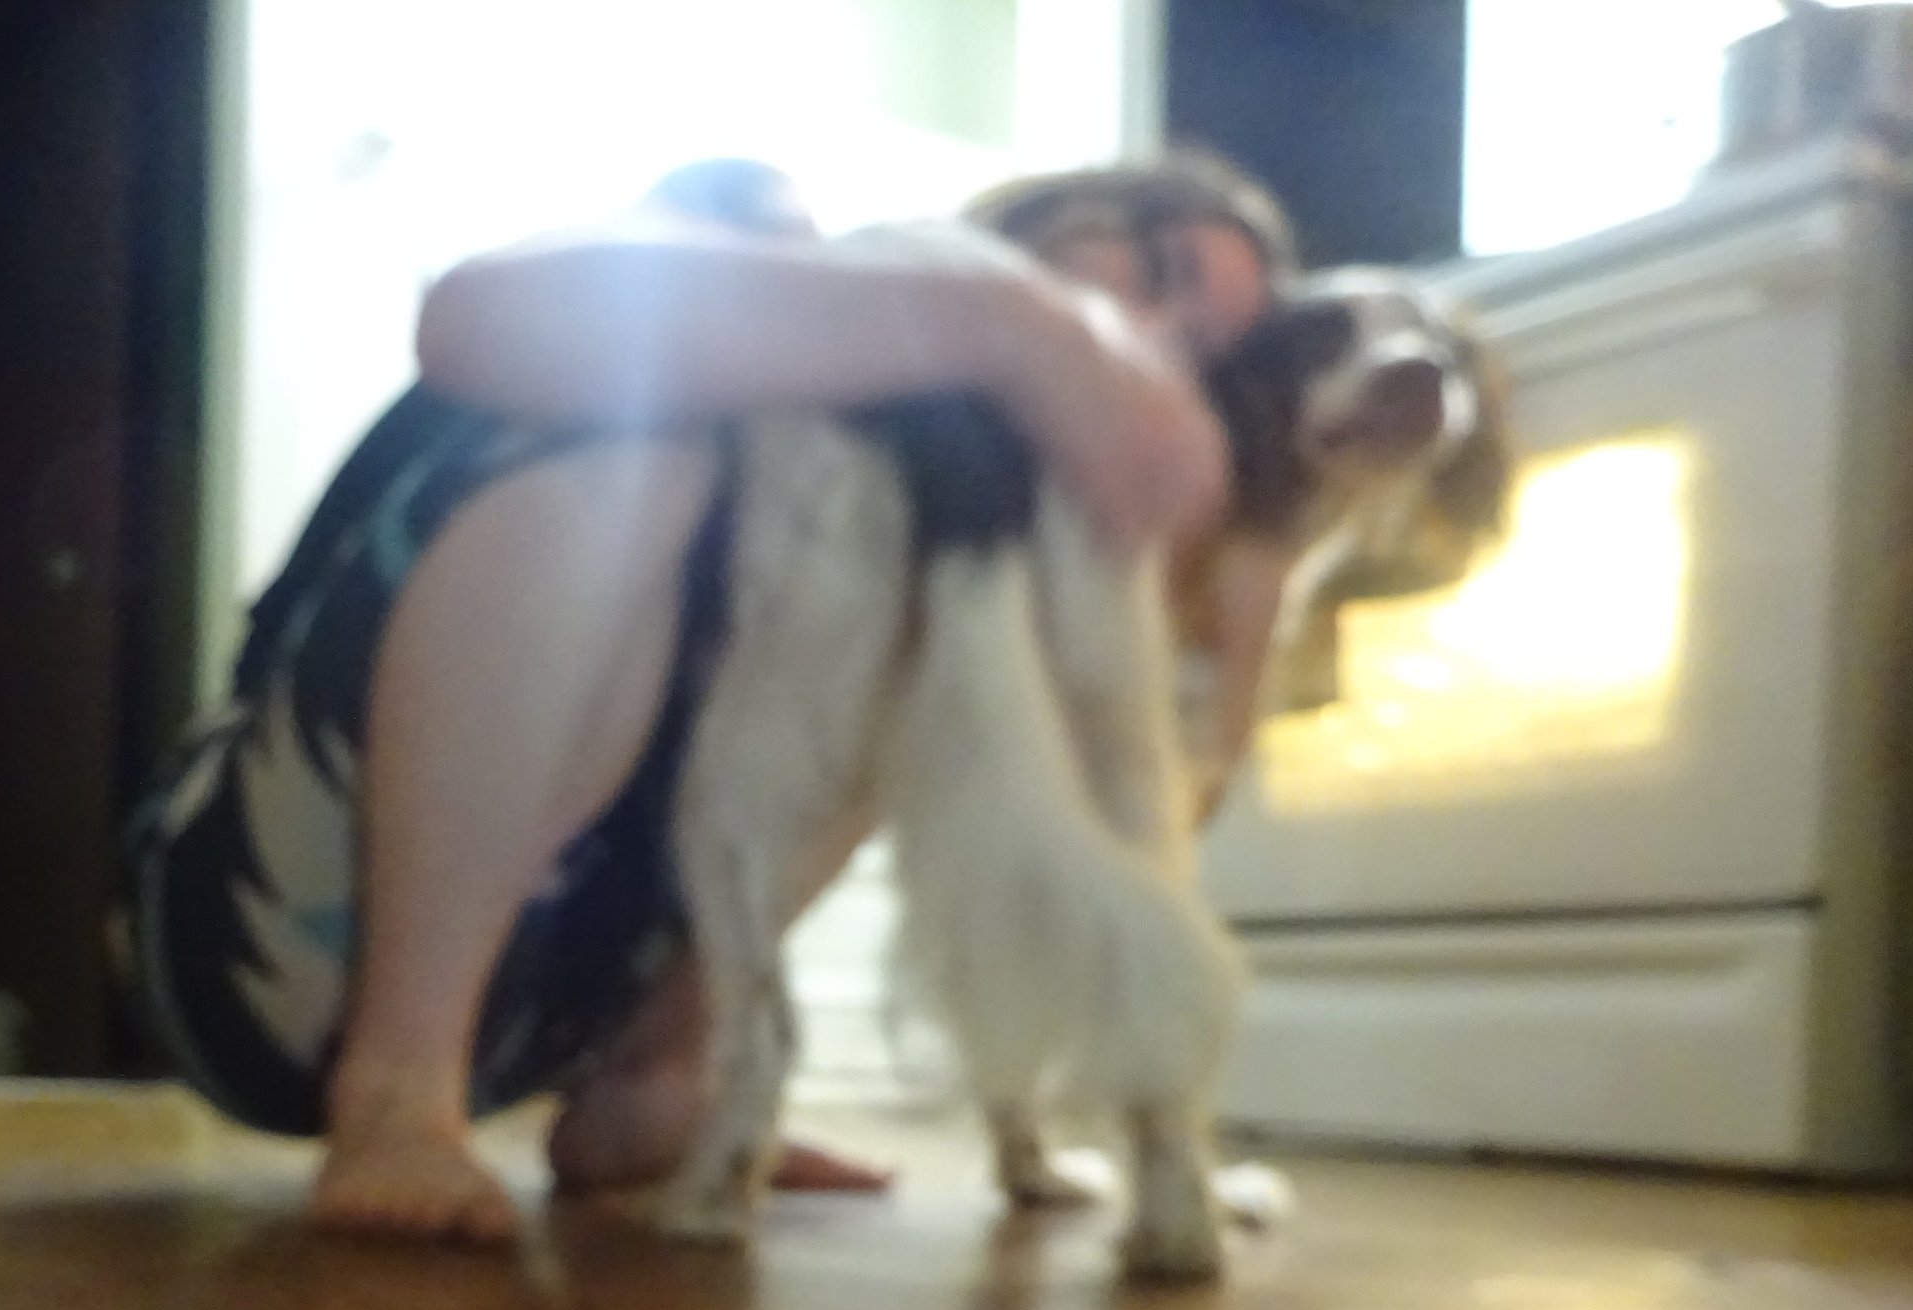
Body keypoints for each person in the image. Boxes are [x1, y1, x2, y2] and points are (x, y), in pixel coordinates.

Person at [130, 153, 1297, 1243]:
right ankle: (396, 1083)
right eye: (1157, 273)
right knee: (645, 428)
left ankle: (654, 1082)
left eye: (1202, 347)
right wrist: (1029, 328)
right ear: (1056, 220)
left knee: (911, 613)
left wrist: (1238, 581)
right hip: (249, 936)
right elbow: (472, 317)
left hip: (554, 1005)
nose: (1153, 336)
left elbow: (1158, 787)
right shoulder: (753, 224)